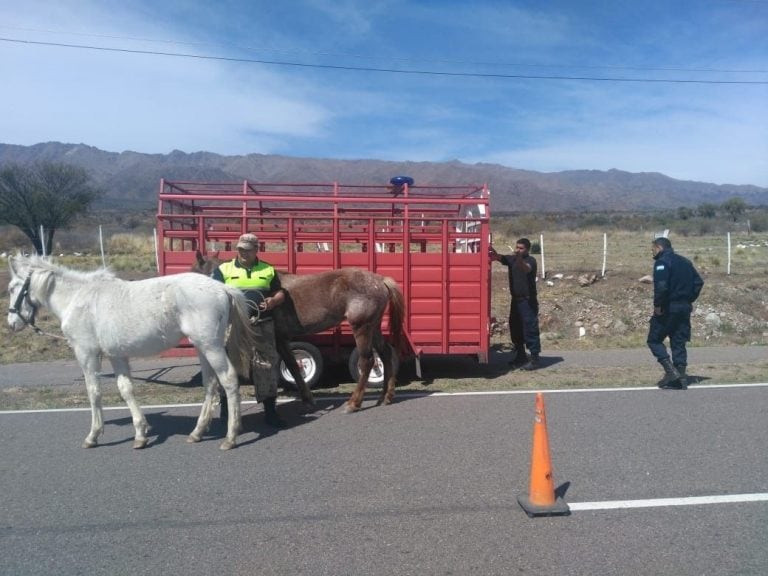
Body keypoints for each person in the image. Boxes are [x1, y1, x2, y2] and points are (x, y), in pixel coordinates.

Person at [212, 233, 288, 426]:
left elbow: (280, 292)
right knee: (229, 367)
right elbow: (212, 294)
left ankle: (270, 413)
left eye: (247, 249)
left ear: (256, 250)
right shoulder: (223, 269)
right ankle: (226, 413)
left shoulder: (268, 270)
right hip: (233, 326)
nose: (243, 253)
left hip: (262, 325)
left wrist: (273, 301)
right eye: (240, 249)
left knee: (266, 367)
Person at [647, 236, 704, 390]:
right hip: (684, 308)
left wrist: (658, 305)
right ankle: (681, 378)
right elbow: (698, 282)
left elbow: (662, 287)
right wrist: (688, 299)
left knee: (654, 340)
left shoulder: (662, 263)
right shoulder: (685, 262)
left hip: (668, 308)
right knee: (678, 341)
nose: (652, 252)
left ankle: (671, 372)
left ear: (659, 247)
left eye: (653, 249)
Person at [489, 238, 542, 370]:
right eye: (517, 247)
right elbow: (499, 257)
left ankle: (534, 359)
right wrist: (492, 252)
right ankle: (521, 356)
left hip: (527, 301)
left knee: (530, 328)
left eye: (521, 248)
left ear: (527, 249)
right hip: (516, 300)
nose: (518, 250)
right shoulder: (512, 259)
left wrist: (518, 258)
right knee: (515, 327)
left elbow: (526, 269)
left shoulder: (531, 261)